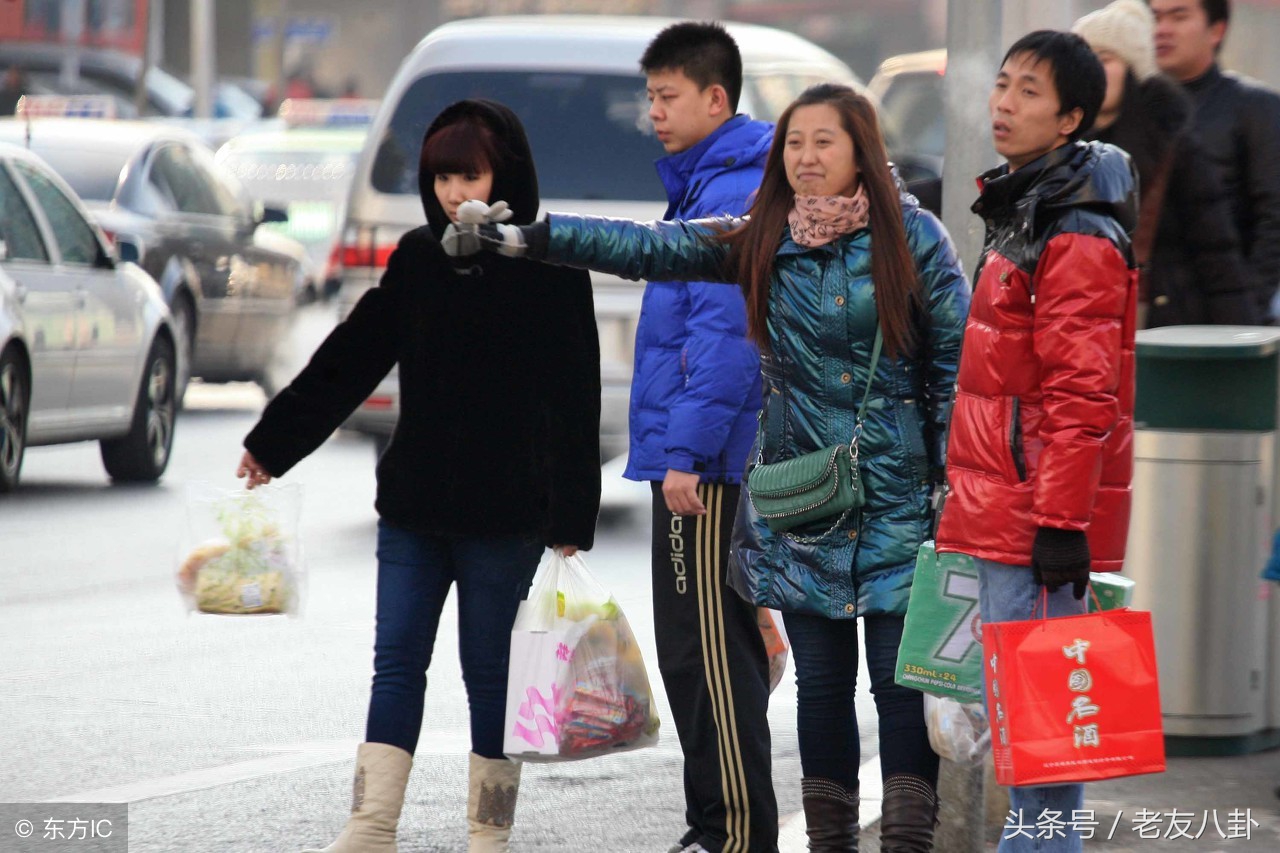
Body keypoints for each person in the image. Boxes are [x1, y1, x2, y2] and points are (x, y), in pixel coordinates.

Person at [444, 82, 970, 853]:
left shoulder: (914, 238)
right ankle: (831, 843)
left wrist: (951, 484)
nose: (807, 157)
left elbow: (954, 368)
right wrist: (527, 237)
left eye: (825, 141)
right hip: (805, 499)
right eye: (795, 142)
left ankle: (906, 844)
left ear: (862, 149)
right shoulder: (764, 236)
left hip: (900, 501)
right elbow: (645, 247)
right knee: (821, 692)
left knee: (897, 689)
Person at [236, 99, 601, 853]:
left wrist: (570, 520)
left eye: (466, 173)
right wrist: (273, 442)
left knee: (490, 675)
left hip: (506, 515)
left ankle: (486, 835)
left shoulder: (553, 268)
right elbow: (352, 355)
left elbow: (577, 398)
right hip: (414, 505)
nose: (449, 190)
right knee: (396, 662)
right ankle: (372, 826)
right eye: (439, 175)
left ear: (506, 174)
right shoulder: (419, 258)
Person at [932, 31, 1138, 853]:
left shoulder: (1075, 226)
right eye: (1003, 84)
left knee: (1045, 730)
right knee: (1036, 722)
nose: (1004, 103)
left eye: (1028, 92)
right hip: (1007, 503)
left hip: (1031, 516)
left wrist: (1058, 523)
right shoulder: (1032, 201)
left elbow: (1082, 389)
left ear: (1070, 118)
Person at [632, 22, 777, 853]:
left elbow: (727, 339)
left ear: (716, 98)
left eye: (668, 95)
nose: (654, 111)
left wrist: (685, 452)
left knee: (709, 654)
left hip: (710, 462)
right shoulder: (703, 181)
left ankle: (734, 834)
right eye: (649, 96)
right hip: (690, 453)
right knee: (695, 649)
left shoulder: (731, 185)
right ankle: (714, 827)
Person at [1074, 0, 1257, 326]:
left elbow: (1216, 253)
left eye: (1105, 59)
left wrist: (1240, 343)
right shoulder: (1063, 148)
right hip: (1080, 323)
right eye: (1082, 62)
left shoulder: (1173, 145)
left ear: (1133, 70)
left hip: (1163, 325)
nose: (1093, 73)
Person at [1150, 0, 1280, 321]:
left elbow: (1274, 216)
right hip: (1145, 317)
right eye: (1154, 17)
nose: (1162, 29)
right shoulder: (1133, 110)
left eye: (1178, 16)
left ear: (1216, 30)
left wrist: (1246, 311)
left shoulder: (1255, 108)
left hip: (1225, 319)